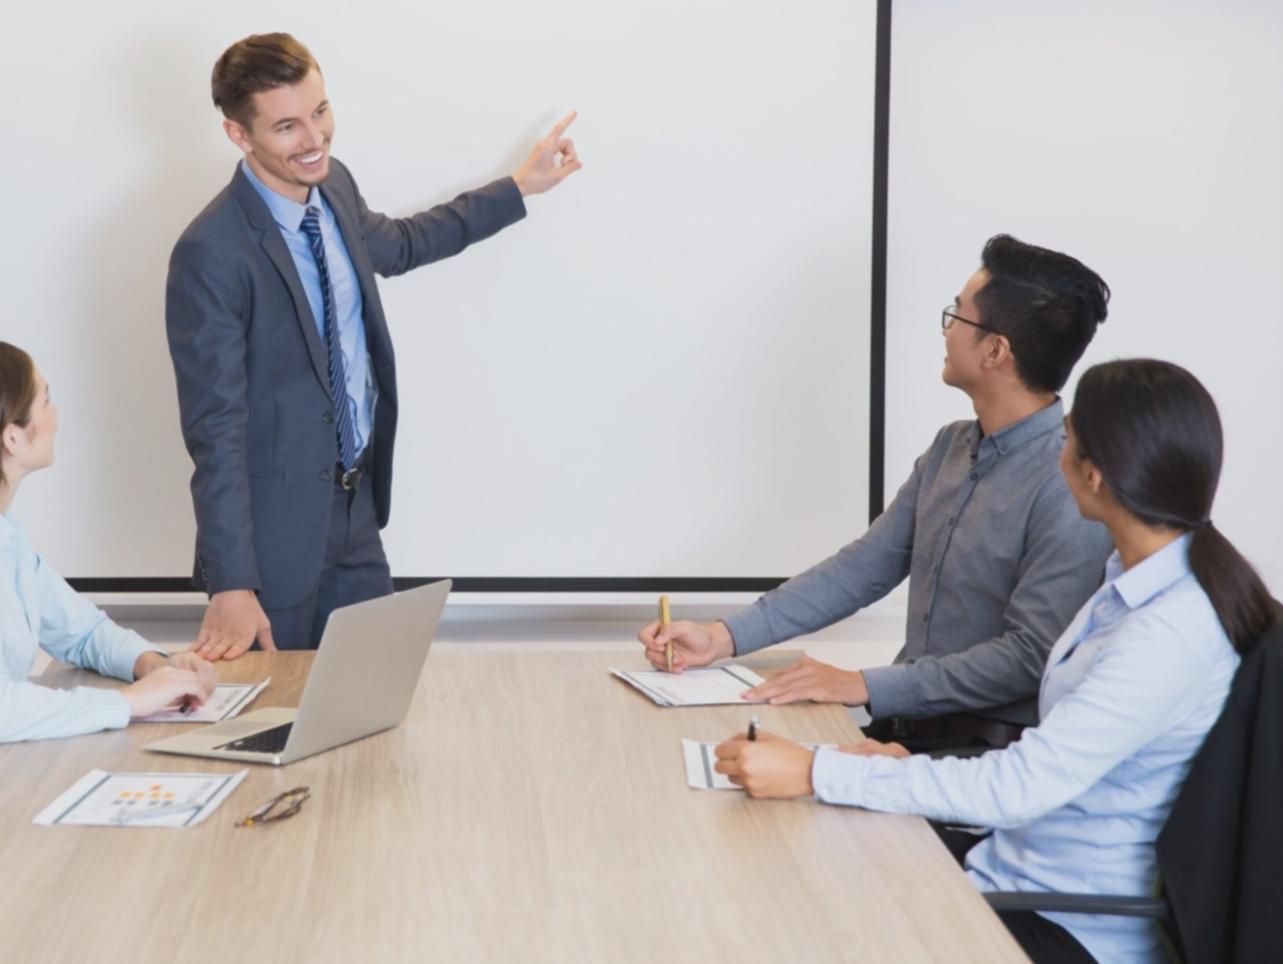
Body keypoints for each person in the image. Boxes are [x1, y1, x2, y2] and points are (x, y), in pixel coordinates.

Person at [711, 359, 1277, 963]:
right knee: (796, 862)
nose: (1058, 446)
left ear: (1092, 475)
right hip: (1007, 868)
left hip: (1060, 919)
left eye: (1070, 437)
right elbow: (1055, 761)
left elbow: (1022, 788)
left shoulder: (1167, 633)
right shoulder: (1133, 588)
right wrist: (894, 764)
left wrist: (814, 771)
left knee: (793, 913)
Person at [167, 33, 581, 657]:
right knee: (269, 729)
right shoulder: (212, 252)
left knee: (367, 705)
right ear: (238, 135)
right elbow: (215, 427)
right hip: (271, 541)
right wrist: (232, 580)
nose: (315, 139)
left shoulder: (335, 191)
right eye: (287, 127)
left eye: (320, 111)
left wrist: (521, 187)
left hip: (355, 511)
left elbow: (404, 243)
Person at [641, 235, 1114, 751]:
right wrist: (721, 638)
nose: (947, 329)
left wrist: (863, 683)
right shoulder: (951, 447)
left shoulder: (1068, 481)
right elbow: (863, 568)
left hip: (982, 757)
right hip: (898, 736)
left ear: (996, 350)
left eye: (957, 316)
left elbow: (1030, 656)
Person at [0, 341, 216, 883]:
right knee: (108, 870)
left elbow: (80, 630)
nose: (56, 414)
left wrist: (153, 665)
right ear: (12, 434)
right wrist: (128, 704)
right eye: (47, 400)